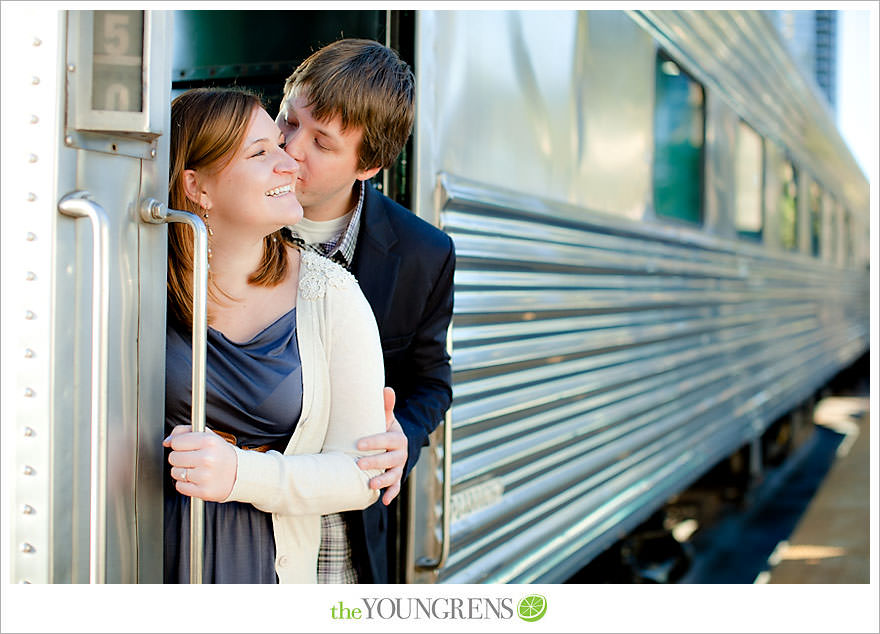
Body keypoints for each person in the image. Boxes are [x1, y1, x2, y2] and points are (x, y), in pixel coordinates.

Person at [162, 87, 388, 584]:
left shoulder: (330, 294)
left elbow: (361, 473)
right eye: (261, 152)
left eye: (278, 147)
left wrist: (238, 474)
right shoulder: (139, 284)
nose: (289, 163)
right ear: (196, 186)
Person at [277, 38, 456, 583]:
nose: (290, 149)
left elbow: (432, 381)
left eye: (321, 143)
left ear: (369, 165)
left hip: (337, 530)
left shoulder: (423, 253)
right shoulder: (223, 209)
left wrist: (401, 434)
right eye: (287, 122)